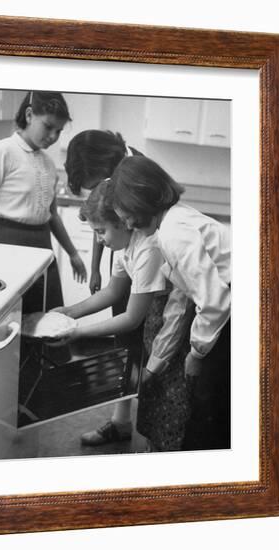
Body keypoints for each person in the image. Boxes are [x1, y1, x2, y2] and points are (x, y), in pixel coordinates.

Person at [52, 180, 192, 452]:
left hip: (175, 325)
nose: (99, 240)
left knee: (169, 393)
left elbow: (131, 318)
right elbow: (114, 292)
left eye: (101, 231)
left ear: (124, 222)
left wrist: (76, 332)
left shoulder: (149, 247)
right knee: (153, 393)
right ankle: (154, 448)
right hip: (156, 323)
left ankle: (166, 458)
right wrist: (69, 313)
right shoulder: (124, 245)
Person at [111, 155, 231, 451]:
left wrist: (198, 353)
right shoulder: (175, 219)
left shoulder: (173, 232)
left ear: (142, 198)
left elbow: (214, 301)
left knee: (209, 405)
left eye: (126, 214)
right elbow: (183, 297)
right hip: (232, 302)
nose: (127, 223)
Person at [64, 130, 144, 445]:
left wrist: (79, 330)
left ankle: (137, 424)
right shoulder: (109, 177)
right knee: (126, 340)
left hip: (144, 261)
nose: (95, 186)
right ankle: (121, 421)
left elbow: (115, 227)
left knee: (140, 340)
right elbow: (102, 222)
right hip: (124, 256)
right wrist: (97, 266)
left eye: (94, 180)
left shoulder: (135, 171)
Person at [0, 90, 87, 313]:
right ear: (29, 115)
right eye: (48, 127)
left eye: (59, 131)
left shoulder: (48, 163)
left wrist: (73, 254)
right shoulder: (0, 152)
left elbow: (51, 215)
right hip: (6, 244)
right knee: (11, 317)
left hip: (43, 245)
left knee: (46, 315)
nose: (53, 136)